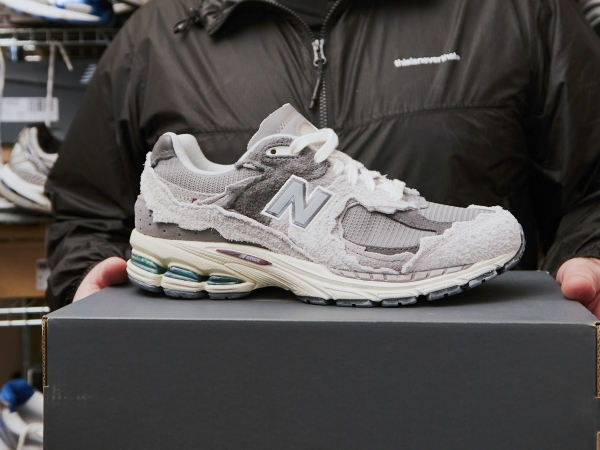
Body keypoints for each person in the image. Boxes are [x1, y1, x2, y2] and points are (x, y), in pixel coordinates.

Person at [45, 0, 600, 316]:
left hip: (468, 378)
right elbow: (85, 215)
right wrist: (86, 292)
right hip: (232, 394)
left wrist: (591, 259)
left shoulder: (520, 10)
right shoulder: (153, 36)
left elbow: (593, 192)